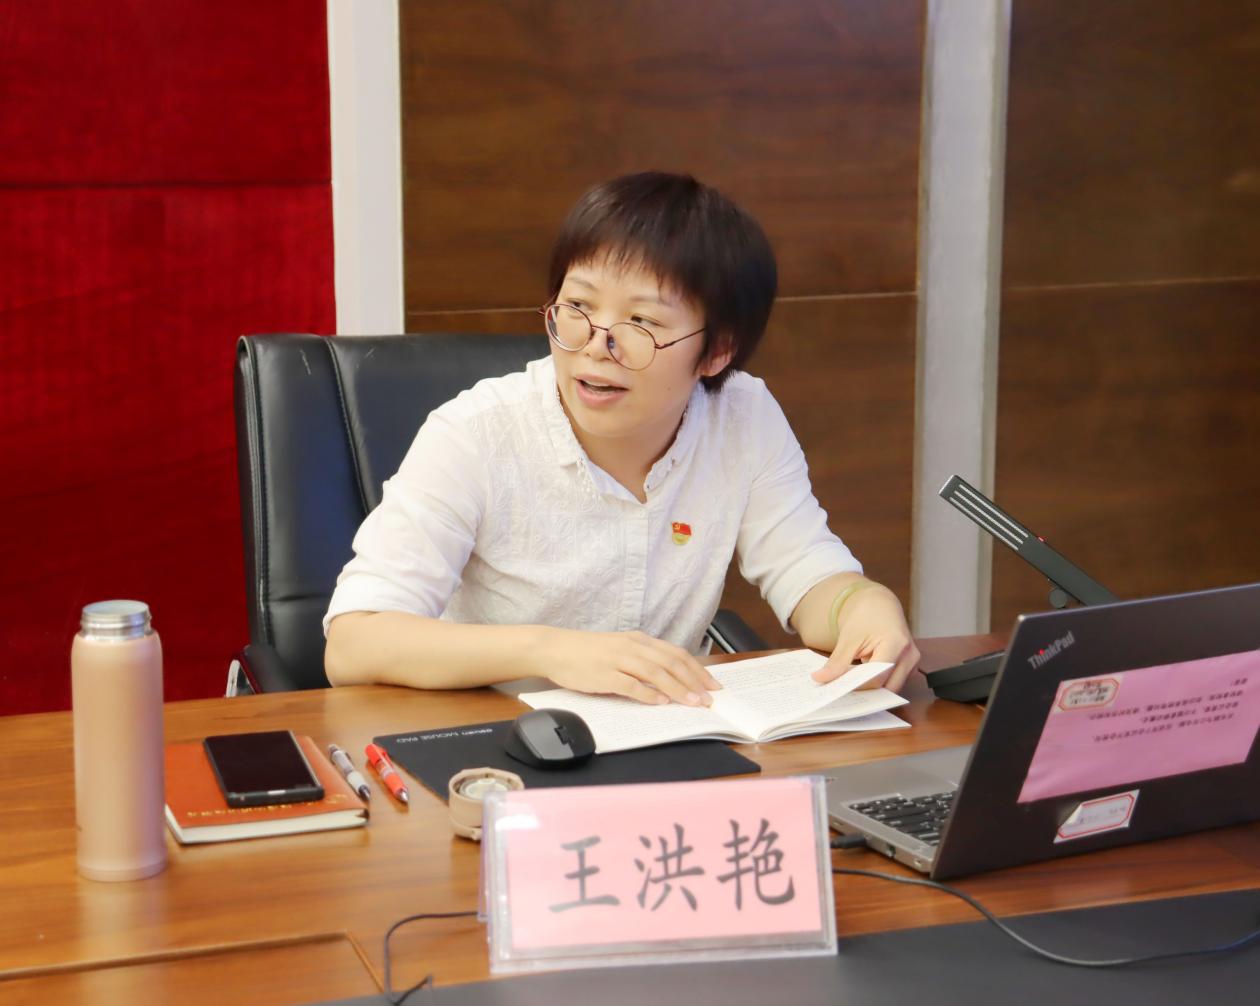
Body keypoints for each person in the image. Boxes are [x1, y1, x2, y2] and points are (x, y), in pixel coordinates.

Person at [324, 171, 919, 705]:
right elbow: (354, 642)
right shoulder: (475, 433)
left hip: (669, 736)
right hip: (503, 744)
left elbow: (808, 574)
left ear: (716, 352)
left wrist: (864, 606)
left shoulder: (743, 416)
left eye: (642, 322)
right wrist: (549, 651)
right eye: (578, 306)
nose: (595, 345)